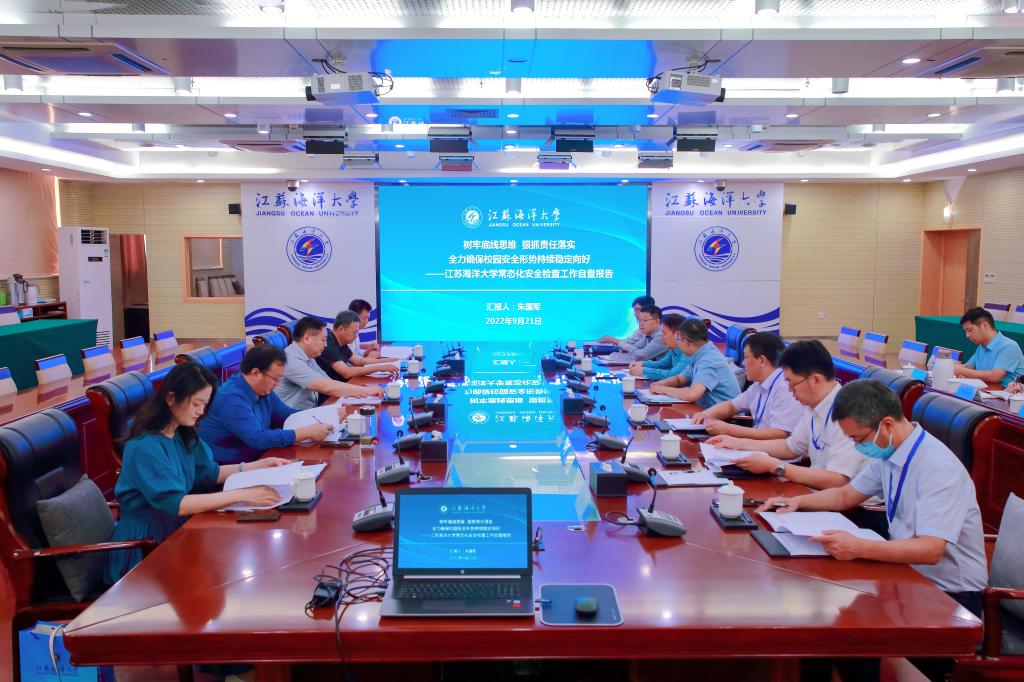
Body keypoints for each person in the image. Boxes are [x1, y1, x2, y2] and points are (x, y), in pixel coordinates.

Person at [762, 379, 987, 682]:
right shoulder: (890, 451)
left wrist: (859, 547)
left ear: (887, 424)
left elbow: (931, 550)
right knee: (821, 618)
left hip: (948, 594)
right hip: (907, 575)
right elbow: (847, 495)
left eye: (858, 438)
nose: (856, 447)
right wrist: (798, 502)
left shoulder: (937, 468)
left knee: (849, 633)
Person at [104, 362, 288, 584]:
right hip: (145, 546)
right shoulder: (145, 445)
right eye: (196, 404)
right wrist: (243, 494)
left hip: (177, 530)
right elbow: (177, 504)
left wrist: (257, 466)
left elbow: (211, 473)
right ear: (171, 398)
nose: (201, 412)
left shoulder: (181, 432)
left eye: (204, 405)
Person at [706, 340, 868, 492]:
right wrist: (737, 443)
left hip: (846, 505)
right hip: (815, 492)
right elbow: (790, 448)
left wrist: (775, 466)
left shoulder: (849, 413)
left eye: (792, 383)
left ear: (816, 380)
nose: (790, 391)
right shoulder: (813, 407)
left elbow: (836, 480)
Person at [200, 344, 334, 465]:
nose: (276, 384)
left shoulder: (263, 390)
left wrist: (327, 414)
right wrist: (306, 432)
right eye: (275, 379)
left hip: (261, 458)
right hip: (231, 469)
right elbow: (257, 438)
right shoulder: (230, 398)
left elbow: (287, 414)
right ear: (255, 373)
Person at [691, 332, 803, 439]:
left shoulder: (785, 387)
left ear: (762, 361)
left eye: (746, 357)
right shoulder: (759, 383)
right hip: (754, 445)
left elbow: (779, 434)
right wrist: (705, 414)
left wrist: (729, 430)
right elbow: (732, 406)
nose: (743, 363)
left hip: (769, 450)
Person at [276, 316, 382, 410]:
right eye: (323, 340)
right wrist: (366, 391)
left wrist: (354, 392)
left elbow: (328, 381)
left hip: (310, 411)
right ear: (307, 339)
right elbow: (326, 387)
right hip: (292, 419)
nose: (326, 345)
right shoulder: (291, 359)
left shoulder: (308, 356)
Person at [648, 317, 740, 409]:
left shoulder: (709, 360)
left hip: (726, 416)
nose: (677, 343)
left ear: (686, 342)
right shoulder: (699, 353)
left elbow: (692, 394)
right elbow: (679, 379)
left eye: (678, 339)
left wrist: (663, 389)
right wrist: (658, 384)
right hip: (707, 411)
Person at [317, 310, 399, 382]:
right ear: (341, 329)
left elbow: (358, 362)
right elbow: (346, 372)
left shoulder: (341, 342)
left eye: (357, 332)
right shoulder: (328, 344)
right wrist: (379, 368)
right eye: (354, 332)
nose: (356, 336)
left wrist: (389, 360)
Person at [953, 306, 1024, 387]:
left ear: (985, 326)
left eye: (970, 330)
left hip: (1007, 393)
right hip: (989, 391)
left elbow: (995, 376)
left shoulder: (1009, 346)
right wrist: (951, 366)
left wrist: (962, 371)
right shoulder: (981, 347)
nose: (967, 335)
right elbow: (967, 367)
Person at [627, 313, 691, 380]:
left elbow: (673, 375)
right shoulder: (673, 349)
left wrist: (643, 371)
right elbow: (662, 364)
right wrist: (642, 364)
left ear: (677, 335)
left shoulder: (687, 352)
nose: (662, 337)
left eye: (665, 333)